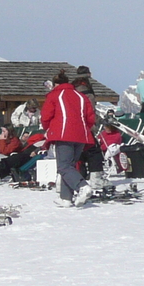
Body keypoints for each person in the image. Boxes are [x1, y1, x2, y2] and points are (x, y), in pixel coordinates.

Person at [40, 71, 96, 206]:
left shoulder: (54, 95)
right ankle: (65, 198)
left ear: (55, 84)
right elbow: (91, 118)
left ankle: (82, 186)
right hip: (81, 135)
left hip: (64, 133)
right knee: (70, 166)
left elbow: (46, 116)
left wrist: (49, 129)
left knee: (64, 166)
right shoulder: (81, 96)